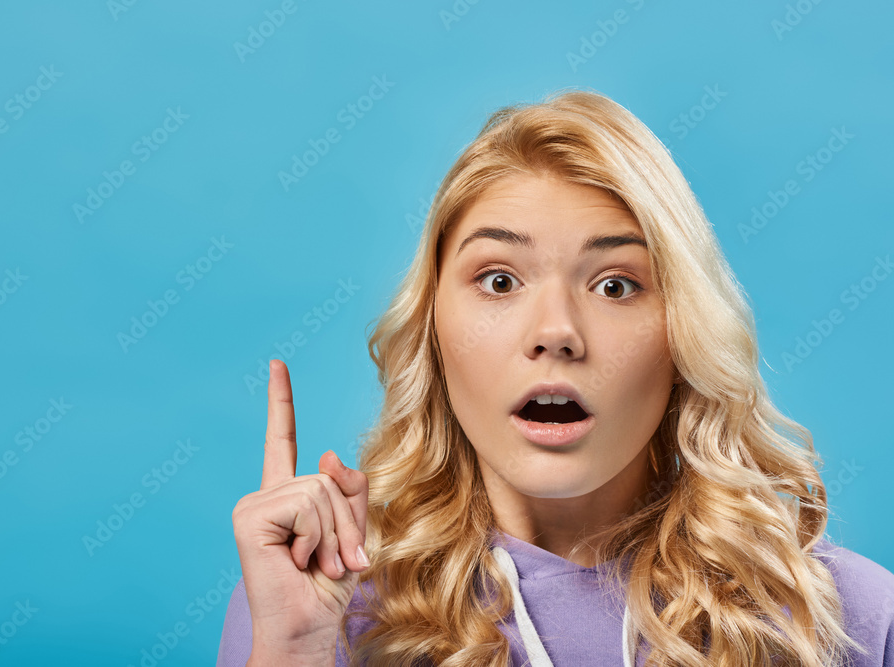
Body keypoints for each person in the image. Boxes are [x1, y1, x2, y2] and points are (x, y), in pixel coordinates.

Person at [218, 89, 894, 666]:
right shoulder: (319, 601)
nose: (557, 331)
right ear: (431, 328)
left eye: (615, 284)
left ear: (682, 334)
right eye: (500, 279)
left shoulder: (843, 616)